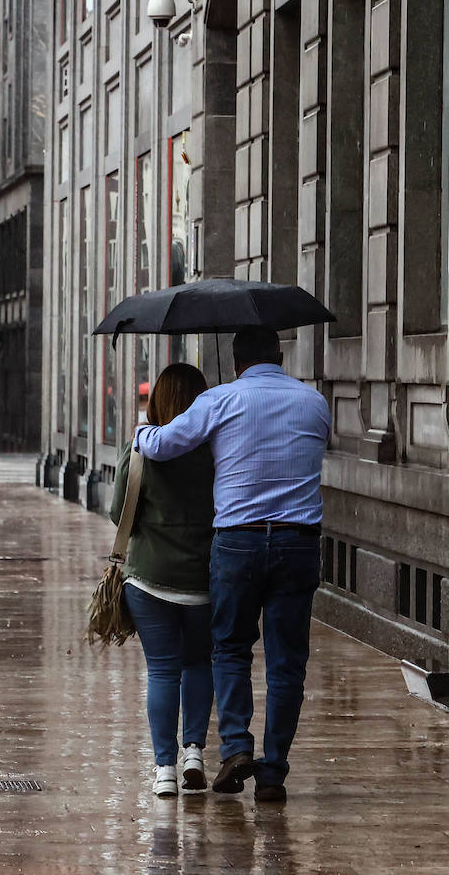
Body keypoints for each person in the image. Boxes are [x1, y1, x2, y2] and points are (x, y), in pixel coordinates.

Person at [134, 327, 330, 803]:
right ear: (280, 356)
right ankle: (274, 771)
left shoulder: (221, 400)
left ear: (237, 361)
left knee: (230, 649)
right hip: (298, 543)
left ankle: (237, 746)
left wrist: (142, 429)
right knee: (287, 663)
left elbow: (160, 445)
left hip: (238, 543)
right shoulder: (314, 402)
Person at [111, 363, 215, 798]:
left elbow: (121, 515)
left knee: (162, 672)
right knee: (198, 664)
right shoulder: (217, 452)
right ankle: (194, 750)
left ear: (156, 401)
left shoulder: (141, 452)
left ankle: (164, 770)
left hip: (150, 583)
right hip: (206, 583)